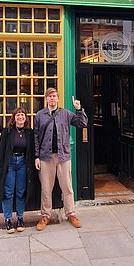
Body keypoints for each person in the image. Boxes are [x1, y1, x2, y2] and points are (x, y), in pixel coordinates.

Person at [34, 87, 88, 231]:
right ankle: (45, 215)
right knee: (46, 189)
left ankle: (70, 214)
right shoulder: (40, 115)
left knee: (67, 188)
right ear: (46, 99)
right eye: (49, 96)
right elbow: (36, 137)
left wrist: (79, 109)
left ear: (58, 99)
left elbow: (82, 123)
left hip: (63, 156)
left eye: (54, 96)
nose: (52, 98)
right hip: (46, 157)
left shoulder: (65, 113)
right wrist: (36, 156)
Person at [0, 107, 34, 234]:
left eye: (22, 115)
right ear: (14, 118)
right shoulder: (7, 132)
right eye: (18, 115)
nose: (20, 117)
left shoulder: (29, 133)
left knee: (21, 192)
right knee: (8, 192)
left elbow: (32, 150)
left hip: (23, 163)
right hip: (10, 163)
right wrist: (2, 166)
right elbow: (1, 150)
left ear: (25, 118)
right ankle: (7, 219)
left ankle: (20, 218)